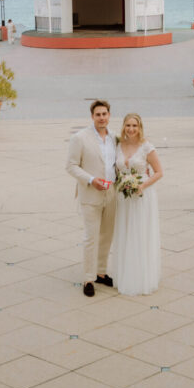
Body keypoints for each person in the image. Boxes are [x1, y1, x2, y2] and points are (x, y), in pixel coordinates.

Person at [66, 99, 117, 297]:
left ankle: (101, 272)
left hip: (111, 194)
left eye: (104, 114)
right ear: (92, 116)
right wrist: (91, 179)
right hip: (90, 194)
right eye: (98, 115)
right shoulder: (79, 138)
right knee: (91, 237)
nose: (101, 118)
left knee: (107, 236)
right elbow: (71, 166)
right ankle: (88, 278)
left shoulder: (114, 137)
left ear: (109, 115)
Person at [111, 113, 163, 295]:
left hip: (142, 195)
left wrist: (142, 186)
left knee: (140, 233)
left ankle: (142, 277)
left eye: (134, 126)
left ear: (140, 128)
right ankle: (125, 273)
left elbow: (159, 172)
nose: (131, 129)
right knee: (125, 232)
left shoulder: (146, 147)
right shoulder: (118, 145)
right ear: (123, 127)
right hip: (123, 196)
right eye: (128, 125)